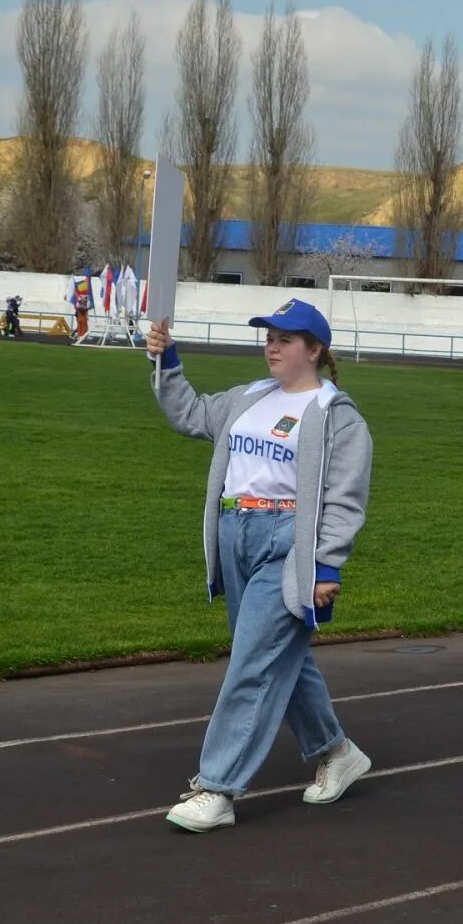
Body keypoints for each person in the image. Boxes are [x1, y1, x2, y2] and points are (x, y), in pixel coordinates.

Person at [145, 298, 374, 831]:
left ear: (314, 350)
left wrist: (327, 567)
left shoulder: (336, 416)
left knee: (252, 661)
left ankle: (218, 788)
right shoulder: (249, 397)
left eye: (286, 339)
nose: (272, 345)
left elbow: (345, 499)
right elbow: (190, 413)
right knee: (275, 655)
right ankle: (335, 751)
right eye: (270, 336)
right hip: (234, 534)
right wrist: (167, 358)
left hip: (288, 542)